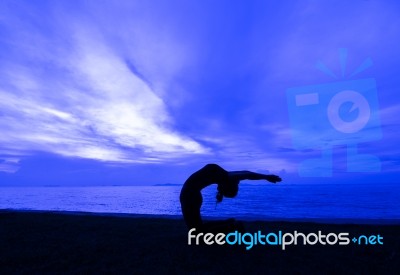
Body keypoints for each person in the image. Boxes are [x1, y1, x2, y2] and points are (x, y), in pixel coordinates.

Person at [180, 163, 282, 233]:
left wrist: (266, 177)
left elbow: (247, 174)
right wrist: (266, 177)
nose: (238, 182)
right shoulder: (226, 175)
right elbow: (246, 173)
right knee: (197, 230)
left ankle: (233, 226)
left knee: (196, 233)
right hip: (191, 195)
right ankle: (230, 223)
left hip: (190, 195)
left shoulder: (227, 177)